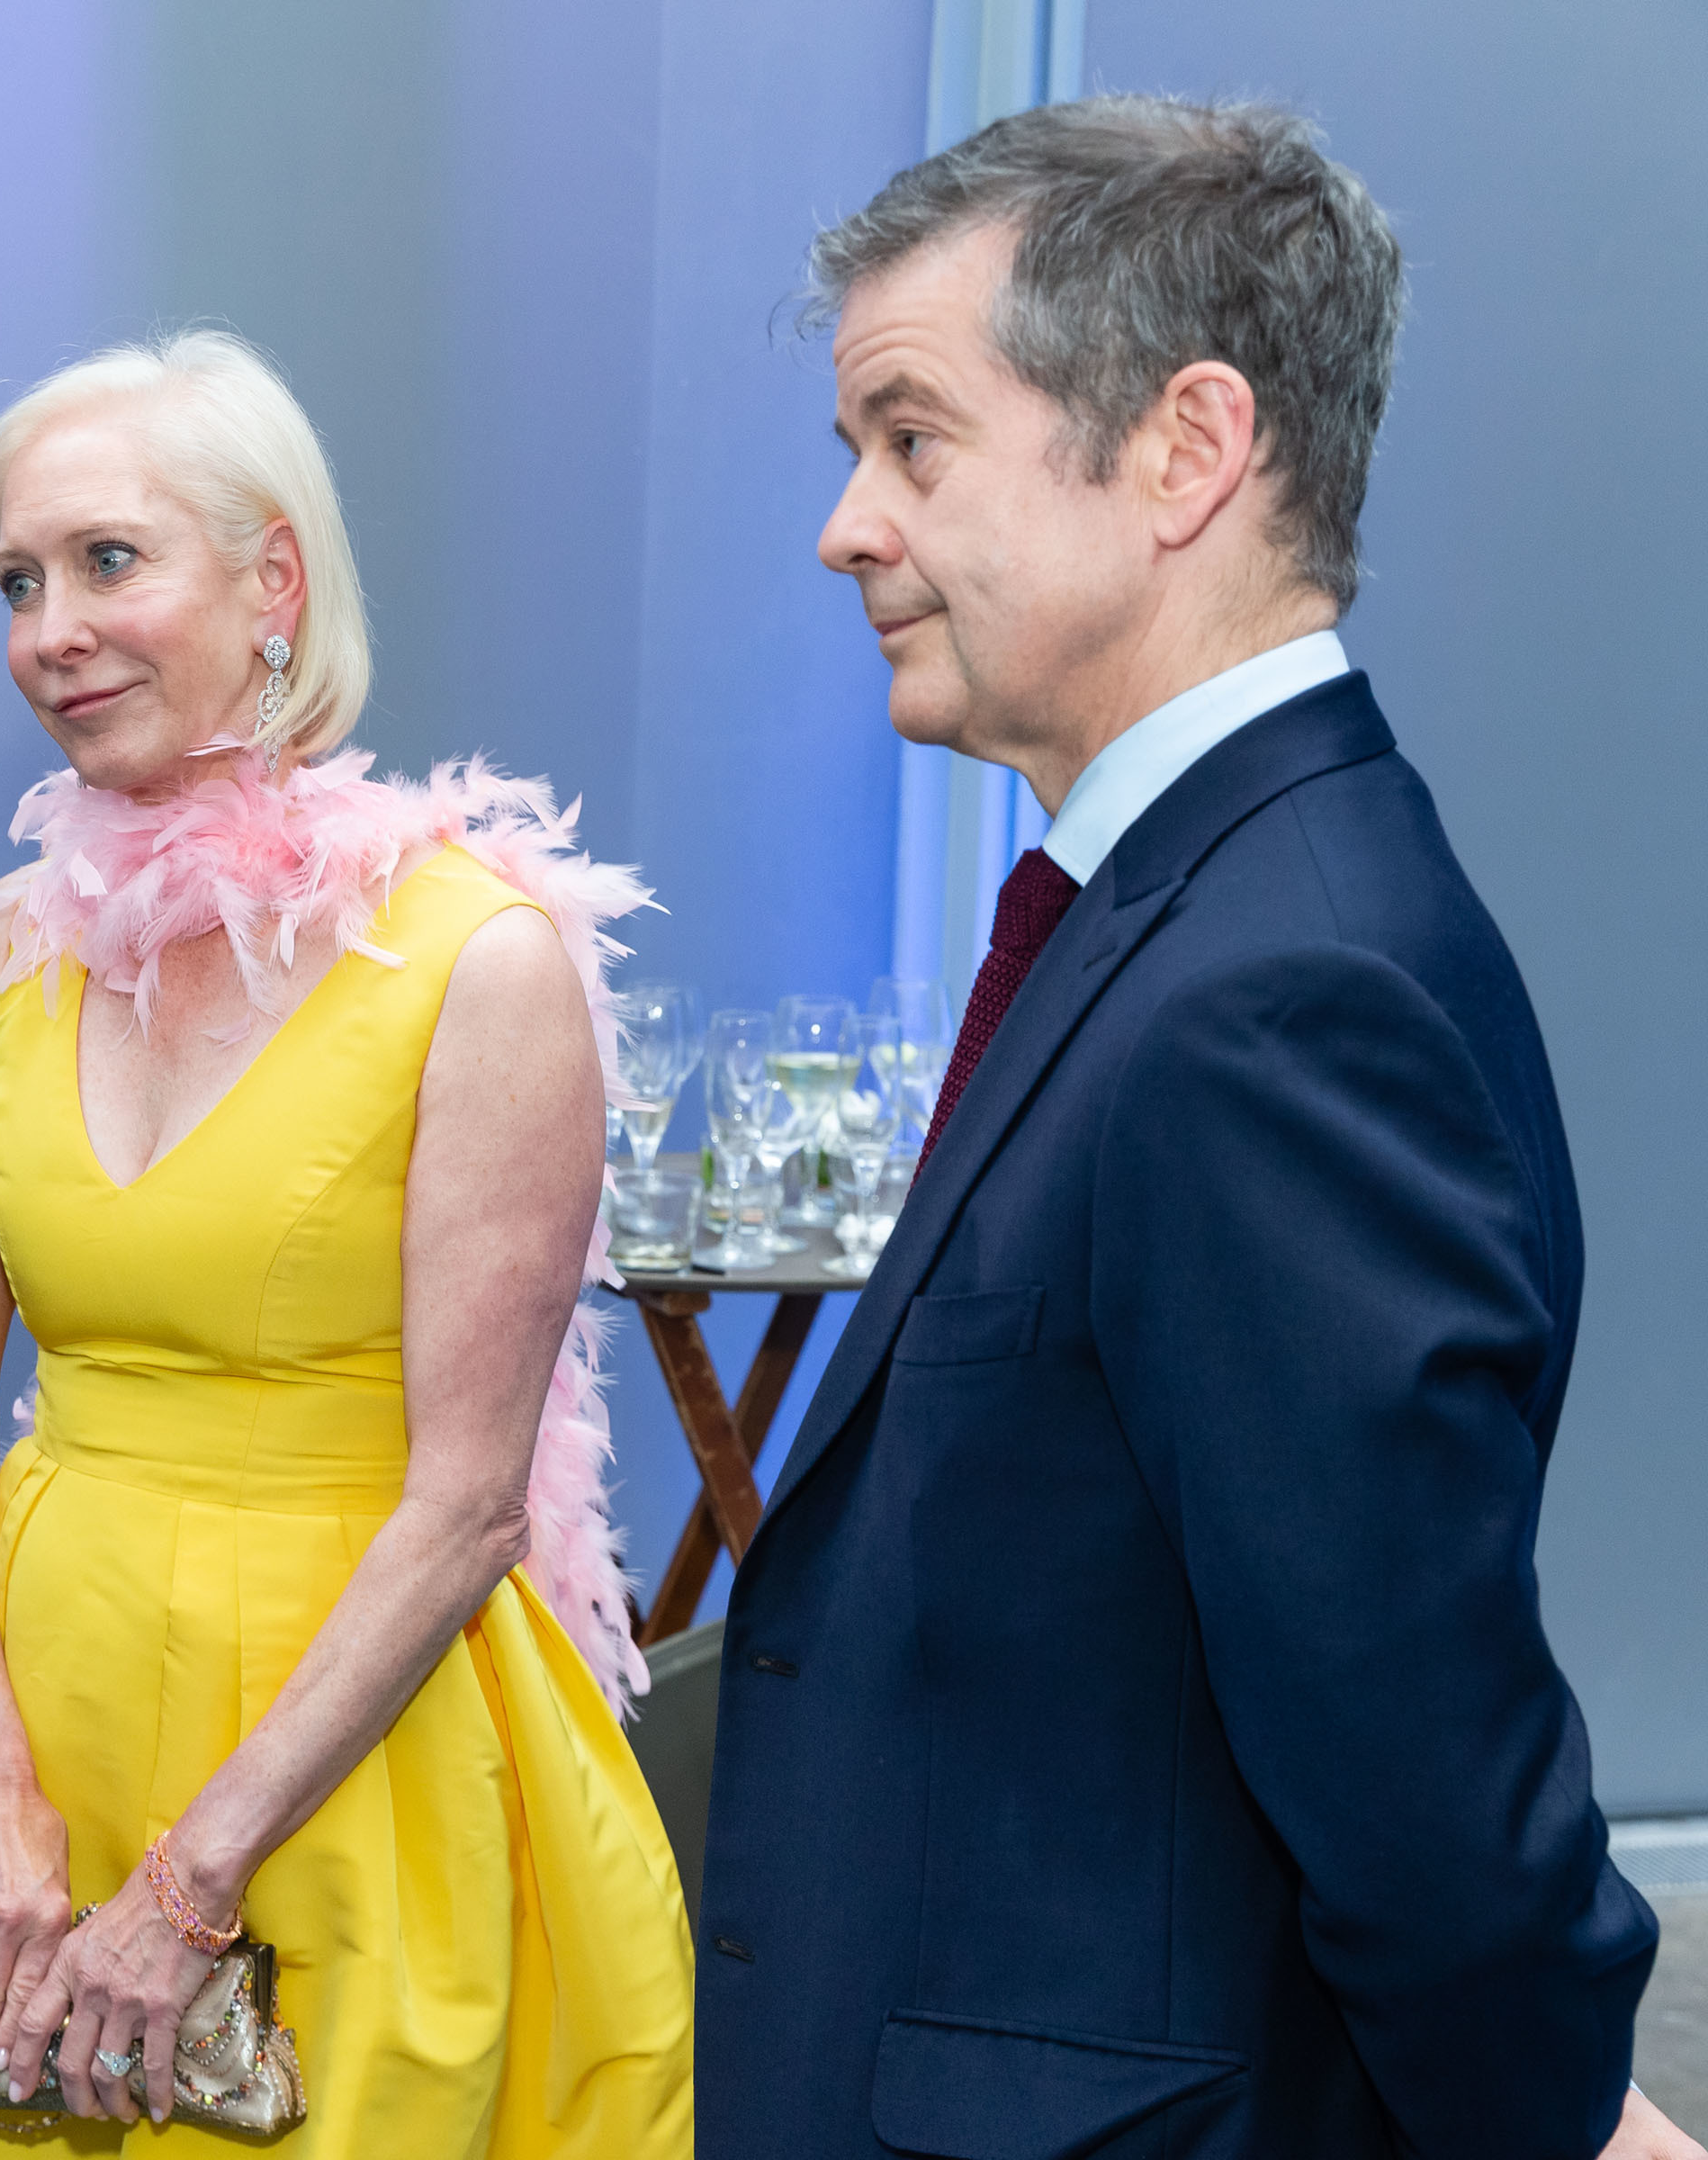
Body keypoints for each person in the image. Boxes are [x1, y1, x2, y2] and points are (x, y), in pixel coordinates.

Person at [698, 96, 1689, 2160]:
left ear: (1186, 449)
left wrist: (1558, 2111)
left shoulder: (1276, 994)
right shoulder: (1186, 912)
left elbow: (1425, 1790)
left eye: (912, 436)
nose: (846, 527)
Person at [0, 330, 694, 2157]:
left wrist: (189, 1887)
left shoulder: (478, 962)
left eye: (108, 561)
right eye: (15, 581)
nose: (48, 629)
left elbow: (473, 1502)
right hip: (25, 1718)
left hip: (351, 1762)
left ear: (274, 584)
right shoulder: (12, 942)